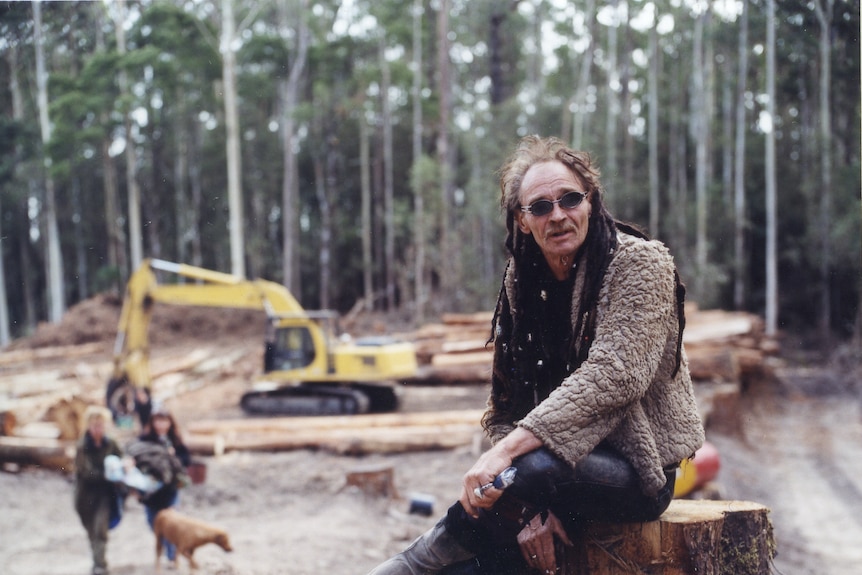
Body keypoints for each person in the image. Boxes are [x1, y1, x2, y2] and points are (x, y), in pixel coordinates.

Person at [367, 135, 705, 575]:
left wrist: (506, 454)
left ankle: (416, 562)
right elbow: (508, 399)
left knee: (524, 470)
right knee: (506, 556)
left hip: (636, 471)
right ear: (522, 221)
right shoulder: (523, 280)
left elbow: (616, 376)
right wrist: (532, 509)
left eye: (569, 199)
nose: (558, 215)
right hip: (547, 475)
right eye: (541, 207)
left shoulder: (638, 263)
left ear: (591, 201)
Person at [129, 404, 191, 566]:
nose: (161, 425)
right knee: (153, 522)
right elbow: (134, 455)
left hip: (170, 489)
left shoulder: (175, 440)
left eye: (164, 421)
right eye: (158, 421)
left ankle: (172, 556)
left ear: (170, 422)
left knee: (171, 522)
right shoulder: (145, 439)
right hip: (151, 490)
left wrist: (173, 457)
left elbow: (186, 460)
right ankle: (166, 547)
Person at [74, 406, 123, 575]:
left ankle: (100, 565)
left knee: (100, 529)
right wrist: (108, 474)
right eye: (95, 425)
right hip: (85, 495)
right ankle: (97, 561)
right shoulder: (82, 446)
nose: (98, 429)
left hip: (105, 495)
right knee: (91, 531)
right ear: (88, 426)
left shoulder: (111, 443)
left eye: (101, 425)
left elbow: (122, 459)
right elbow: (86, 472)